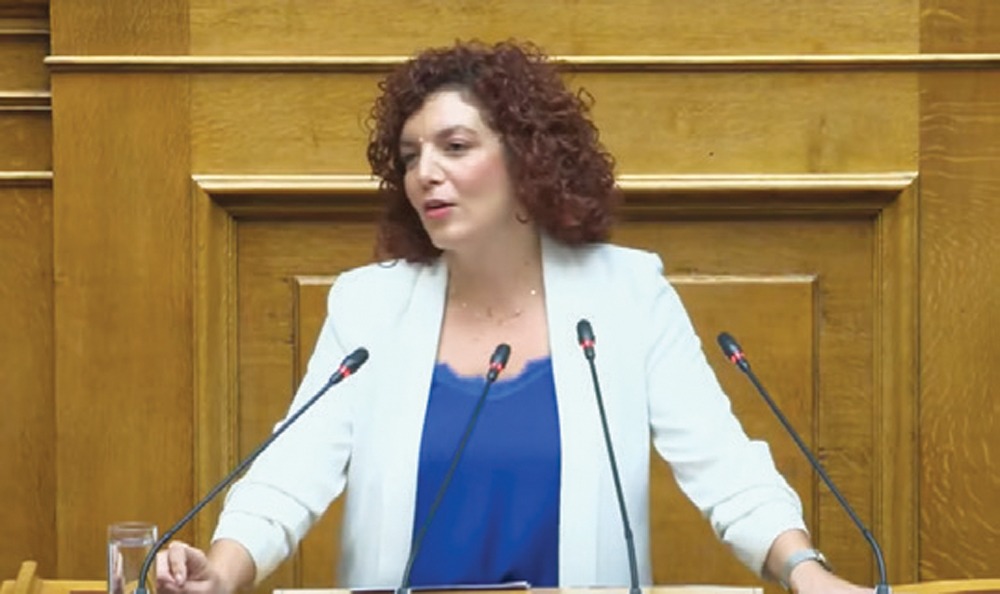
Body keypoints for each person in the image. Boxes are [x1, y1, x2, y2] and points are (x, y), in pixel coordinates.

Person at [157, 40, 870, 594]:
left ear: (528, 160)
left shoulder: (626, 296)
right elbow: (289, 476)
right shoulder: (368, 305)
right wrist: (223, 570)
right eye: (409, 156)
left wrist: (802, 570)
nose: (424, 172)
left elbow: (725, 468)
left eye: (455, 147)